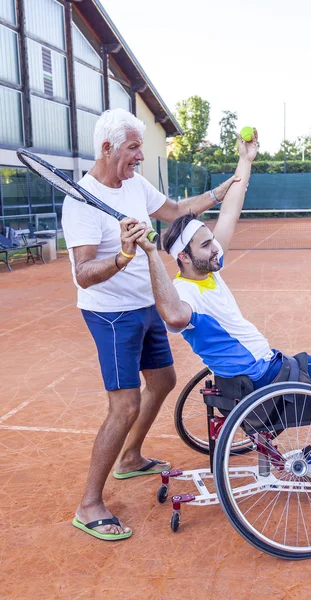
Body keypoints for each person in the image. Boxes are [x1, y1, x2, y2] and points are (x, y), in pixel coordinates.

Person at [134, 129, 311, 483]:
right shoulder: (185, 294)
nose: (216, 249)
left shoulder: (209, 271)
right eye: (207, 245)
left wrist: (245, 159)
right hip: (266, 378)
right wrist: (150, 253)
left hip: (258, 372)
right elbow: (174, 314)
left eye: (212, 242)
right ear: (184, 256)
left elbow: (230, 212)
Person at [62, 108, 239, 541]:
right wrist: (123, 255)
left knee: (162, 381)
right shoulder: (80, 202)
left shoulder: (134, 185)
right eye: (133, 148)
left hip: (146, 306)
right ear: (107, 149)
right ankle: (89, 504)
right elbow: (83, 273)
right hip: (111, 314)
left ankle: (130, 458)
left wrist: (221, 190)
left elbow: (176, 209)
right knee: (123, 405)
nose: (140, 156)